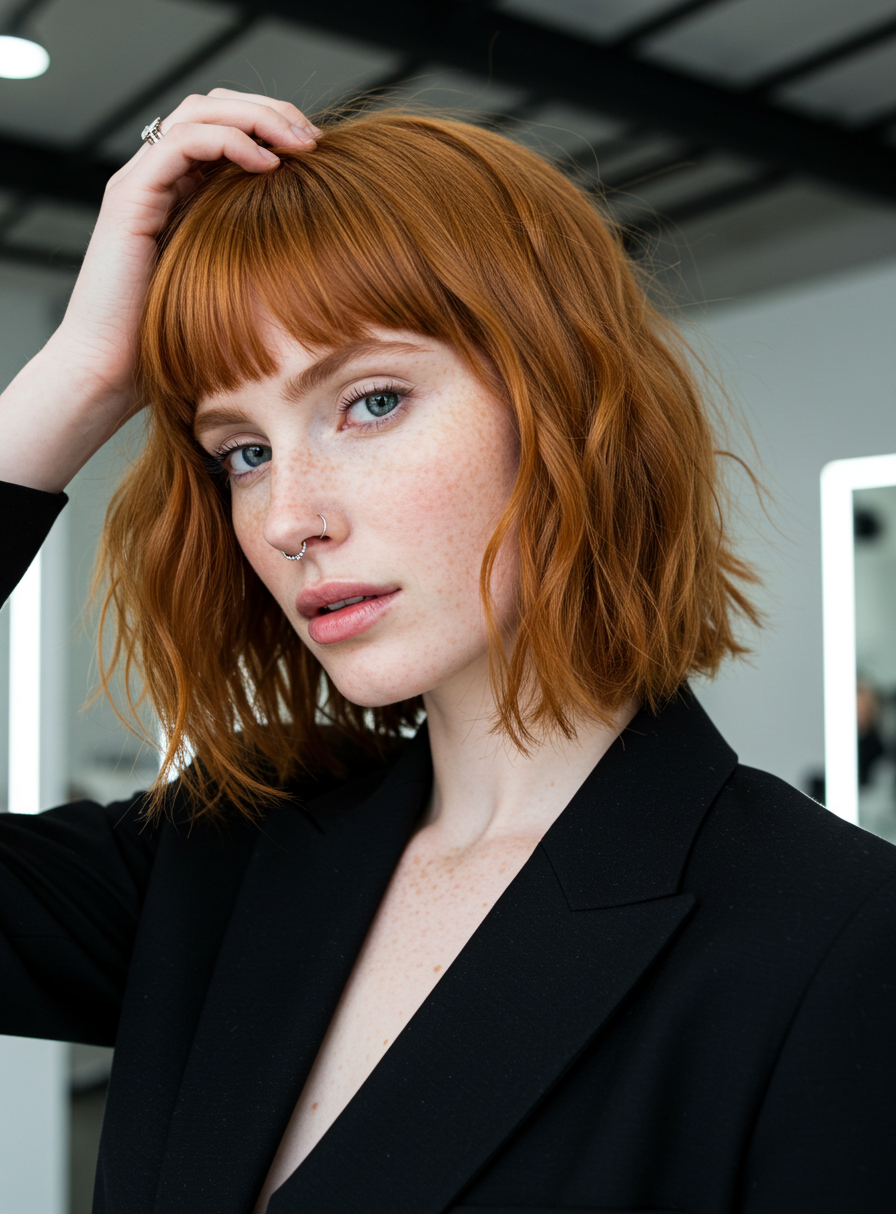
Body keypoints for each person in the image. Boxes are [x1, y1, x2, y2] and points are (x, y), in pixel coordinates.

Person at [1, 91, 894, 1214]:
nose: (287, 517)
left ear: (564, 402)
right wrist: (71, 379)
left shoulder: (832, 937)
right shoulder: (216, 860)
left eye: (369, 400)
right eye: (241, 450)